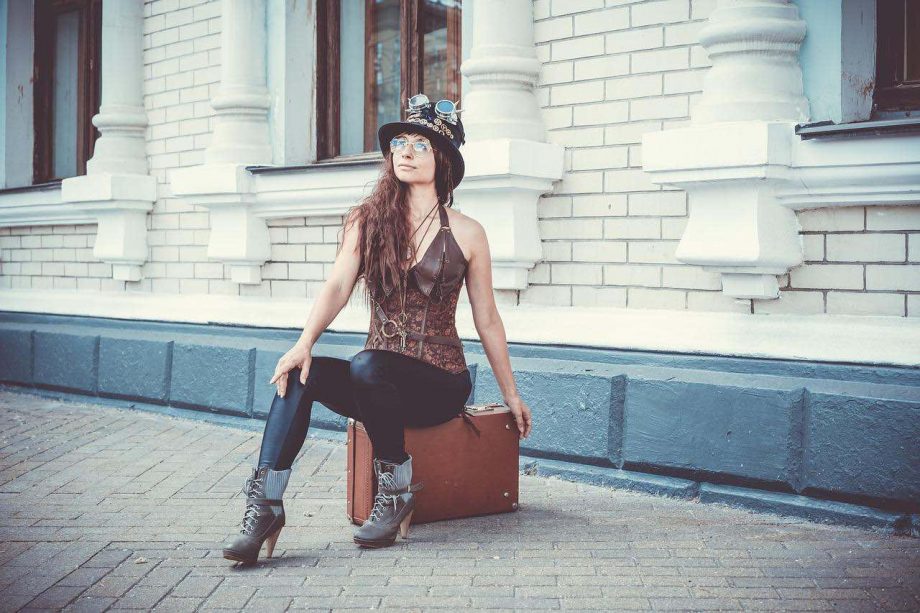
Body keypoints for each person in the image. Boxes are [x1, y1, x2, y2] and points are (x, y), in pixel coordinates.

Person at [222, 92, 533, 564]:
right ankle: (264, 508)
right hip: (375, 381)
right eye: (399, 143)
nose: (406, 151)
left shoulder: (468, 232)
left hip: (439, 384)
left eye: (421, 145)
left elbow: (487, 317)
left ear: (444, 160)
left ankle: (394, 493)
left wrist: (511, 394)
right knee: (300, 376)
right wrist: (303, 345)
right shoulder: (367, 221)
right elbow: (336, 286)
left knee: (368, 365)